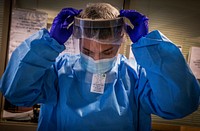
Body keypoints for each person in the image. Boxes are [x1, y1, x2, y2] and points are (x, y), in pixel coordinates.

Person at [0, 3, 199, 131]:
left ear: (121, 42)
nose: (96, 59)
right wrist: (47, 43)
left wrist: (150, 47)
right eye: (87, 51)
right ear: (78, 42)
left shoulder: (136, 75)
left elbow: (179, 105)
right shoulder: (59, 69)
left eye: (107, 52)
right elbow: (16, 92)